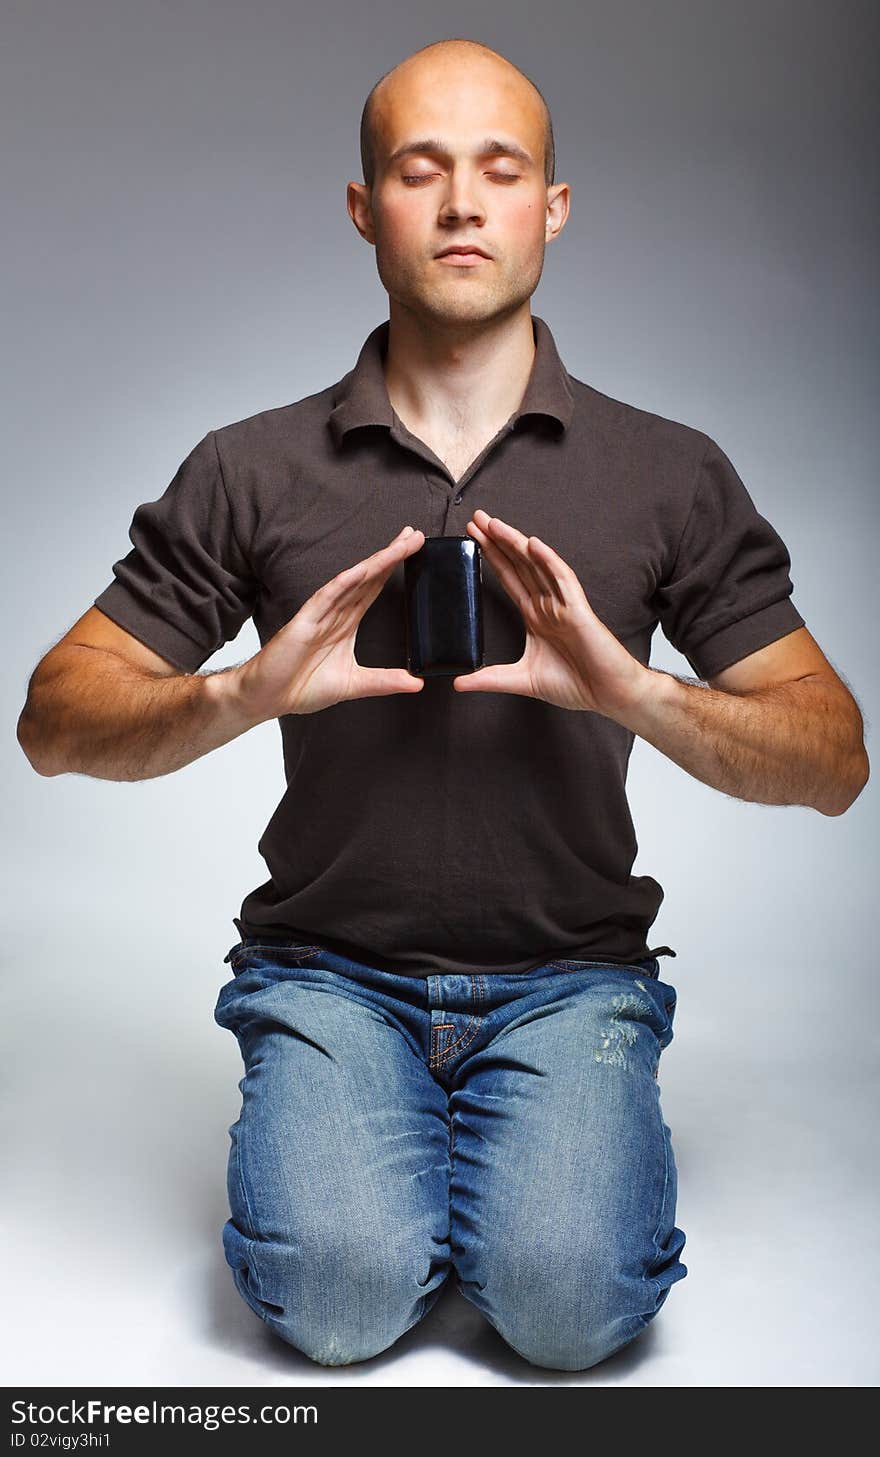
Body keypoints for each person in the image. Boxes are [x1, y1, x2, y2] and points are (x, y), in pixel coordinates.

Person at [17, 37, 868, 1373]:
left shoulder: (668, 473)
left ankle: (516, 1145)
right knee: (340, 1305)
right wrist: (245, 688)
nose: (463, 202)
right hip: (331, 974)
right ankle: (381, 1138)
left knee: (574, 1310)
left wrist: (634, 690)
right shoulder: (254, 469)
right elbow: (54, 720)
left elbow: (834, 758)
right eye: (421, 172)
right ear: (365, 209)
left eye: (500, 169)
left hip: (572, 978)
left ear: (552, 206)